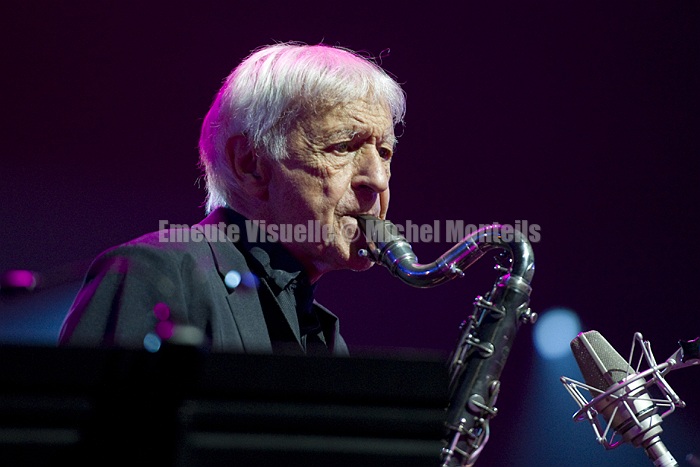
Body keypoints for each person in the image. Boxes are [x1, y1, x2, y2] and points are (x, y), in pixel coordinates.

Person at [58, 42, 406, 355]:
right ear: (250, 164)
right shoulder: (155, 275)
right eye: (343, 147)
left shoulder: (322, 334)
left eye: (385, 152)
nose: (377, 180)